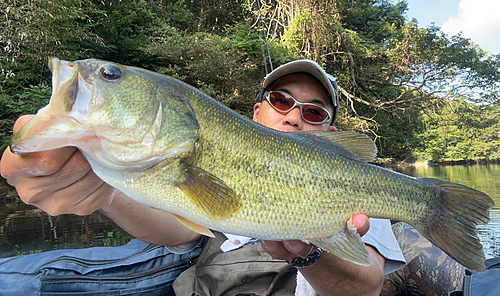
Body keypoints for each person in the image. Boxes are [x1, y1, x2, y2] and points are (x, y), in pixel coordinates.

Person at [0, 59, 405, 295]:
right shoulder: (181, 161)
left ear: (330, 134)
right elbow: (179, 230)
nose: (294, 115)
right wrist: (103, 193)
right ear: (256, 113)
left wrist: (309, 251)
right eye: (281, 100)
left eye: (313, 111)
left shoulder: (355, 184)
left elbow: (366, 287)